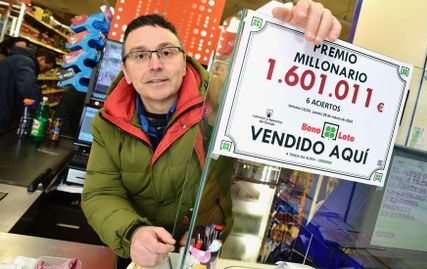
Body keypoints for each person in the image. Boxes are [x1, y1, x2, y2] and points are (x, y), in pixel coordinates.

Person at [81, 0, 342, 268]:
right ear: (125, 71)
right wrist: (133, 233)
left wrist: (296, 41)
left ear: (184, 62)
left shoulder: (220, 98)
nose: (155, 64)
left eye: (167, 52)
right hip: (138, 252)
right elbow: (100, 193)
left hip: (204, 240)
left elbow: (278, 97)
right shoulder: (109, 121)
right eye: (140, 55)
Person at [0, 38, 56, 133]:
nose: (44, 71)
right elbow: (30, 90)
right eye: (46, 67)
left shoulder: (15, 59)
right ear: (41, 58)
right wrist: (40, 114)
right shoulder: (24, 61)